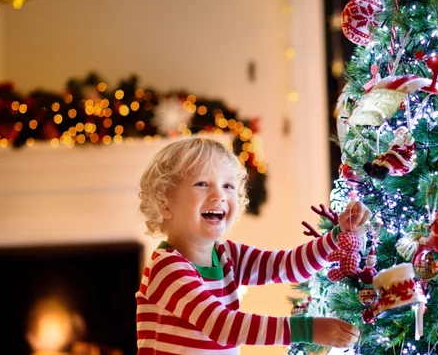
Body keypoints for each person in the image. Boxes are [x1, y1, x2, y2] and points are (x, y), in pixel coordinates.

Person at [135, 137, 368, 354]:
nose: (219, 195)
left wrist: (337, 236)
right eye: (202, 183)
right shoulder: (166, 268)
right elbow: (222, 325)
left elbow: (288, 266)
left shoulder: (227, 255)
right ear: (165, 204)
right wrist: (308, 330)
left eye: (228, 186)